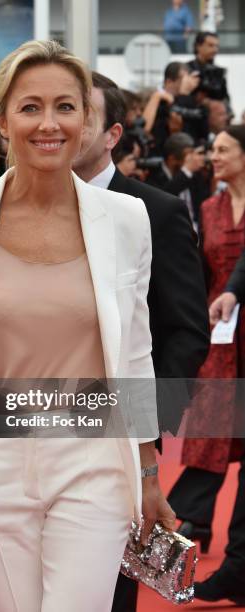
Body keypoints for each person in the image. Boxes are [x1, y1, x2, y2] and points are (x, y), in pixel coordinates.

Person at [0, 40, 175, 612]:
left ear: (87, 118)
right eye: (30, 107)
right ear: (3, 119)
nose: (49, 123)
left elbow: (134, 353)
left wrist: (149, 471)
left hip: (93, 454)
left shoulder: (127, 219)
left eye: (65, 106)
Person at [72, 71, 210, 612]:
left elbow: (185, 331)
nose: (61, 123)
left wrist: (141, 431)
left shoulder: (156, 210)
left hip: (116, 431)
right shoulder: (10, 209)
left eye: (79, 111)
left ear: (112, 133)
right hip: (27, 415)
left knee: (103, 586)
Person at [168, 125, 245, 605]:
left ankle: (212, 539)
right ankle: (184, 521)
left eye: (223, 149)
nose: (212, 156)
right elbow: (201, 270)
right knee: (210, 435)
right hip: (222, 336)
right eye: (210, 149)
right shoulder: (210, 208)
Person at [146, 132, 208, 230]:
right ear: (172, 159)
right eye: (187, 156)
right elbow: (163, 199)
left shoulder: (193, 174)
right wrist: (186, 171)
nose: (191, 160)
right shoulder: (154, 177)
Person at [188, 31, 229, 102]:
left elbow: (225, 99)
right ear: (198, 46)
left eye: (217, 46)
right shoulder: (187, 69)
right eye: (210, 45)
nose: (215, 50)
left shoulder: (218, 72)